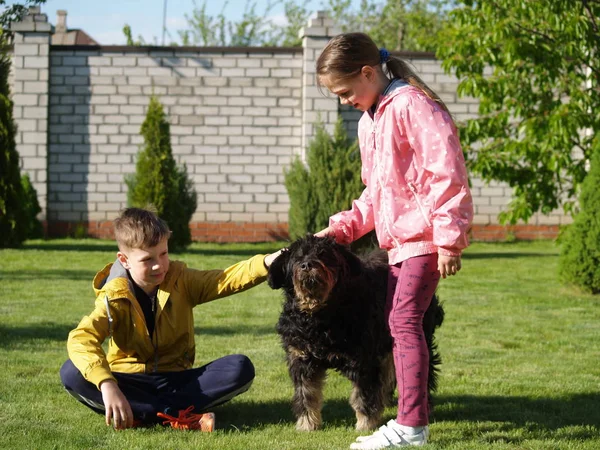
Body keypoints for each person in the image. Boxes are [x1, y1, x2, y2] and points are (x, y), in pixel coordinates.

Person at [314, 33, 473, 449]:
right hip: (399, 244)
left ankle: (412, 427)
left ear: (368, 72)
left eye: (346, 91)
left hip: (424, 239)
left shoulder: (409, 105)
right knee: (400, 323)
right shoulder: (372, 121)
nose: (344, 101)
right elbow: (377, 194)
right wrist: (340, 229)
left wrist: (449, 239)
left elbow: (447, 172)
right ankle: (408, 422)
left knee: (403, 322)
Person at [59, 207, 281, 431]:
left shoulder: (181, 279)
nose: (159, 265)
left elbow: (224, 279)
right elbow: (81, 338)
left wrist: (269, 261)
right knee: (71, 372)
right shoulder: (114, 295)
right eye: (147, 259)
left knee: (240, 367)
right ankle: (179, 416)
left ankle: (143, 413)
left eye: (163, 254)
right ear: (124, 260)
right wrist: (107, 384)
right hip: (129, 382)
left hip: (178, 380)